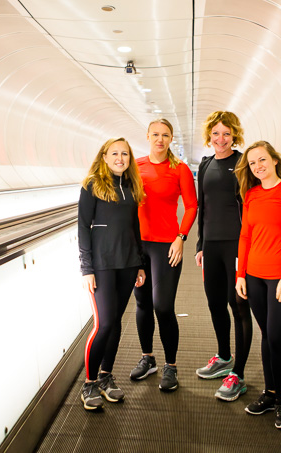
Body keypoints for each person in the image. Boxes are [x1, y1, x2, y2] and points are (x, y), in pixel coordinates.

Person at [233, 140, 281, 430]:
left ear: (274, 160)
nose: (257, 166)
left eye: (262, 160)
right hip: (254, 277)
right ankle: (270, 392)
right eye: (252, 163)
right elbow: (245, 236)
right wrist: (241, 274)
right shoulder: (251, 195)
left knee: (277, 338)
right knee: (266, 335)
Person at [78, 138, 147, 411]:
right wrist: (87, 268)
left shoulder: (131, 186)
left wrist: (140, 263)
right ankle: (89, 383)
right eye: (115, 153)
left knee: (116, 321)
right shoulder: (92, 185)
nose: (120, 158)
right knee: (104, 324)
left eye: (125, 154)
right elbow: (83, 227)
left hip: (127, 263)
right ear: (104, 157)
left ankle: (106, 376)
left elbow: (134, 226)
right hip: (102, 264)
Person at [130, 118, 198, 391]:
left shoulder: (179, 169)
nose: (160, 139)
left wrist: (181, 238)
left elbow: (191, 206)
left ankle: (171, 365)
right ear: (147, 136)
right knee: (142, 303)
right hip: (138, 246)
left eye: (165, 135)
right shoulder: (135, 166)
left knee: (163, 306)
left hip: (166, 246)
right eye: (155, 134)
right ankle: (148, 358)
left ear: (171, 139)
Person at [193, 111, 253, 402]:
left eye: (226, 133)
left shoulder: (243, 163)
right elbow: (202, 207)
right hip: (212, 245)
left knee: (238, 305)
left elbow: (250, 208)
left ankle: (238, 375)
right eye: (216, 133)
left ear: (234, 135)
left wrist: (247, 250)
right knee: (215, 303)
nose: (221, 139)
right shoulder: (205, 165)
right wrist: (200, 244)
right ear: (209, 136)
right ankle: (224, 357)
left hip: (236, 246)